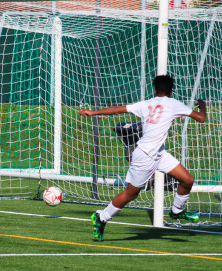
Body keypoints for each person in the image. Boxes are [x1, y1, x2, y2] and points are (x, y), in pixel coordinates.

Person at [79, 75, 206, 242]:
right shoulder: (174, 104)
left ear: (154, 90)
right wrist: (202, 106)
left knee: (187, 180)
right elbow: (201, 118)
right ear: (171, 91)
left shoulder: (146, 104)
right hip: (145, 156)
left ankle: (176, 211)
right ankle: (101, 217)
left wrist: (93, 112)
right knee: (131, 194)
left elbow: (117, 109)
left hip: (159, 153)